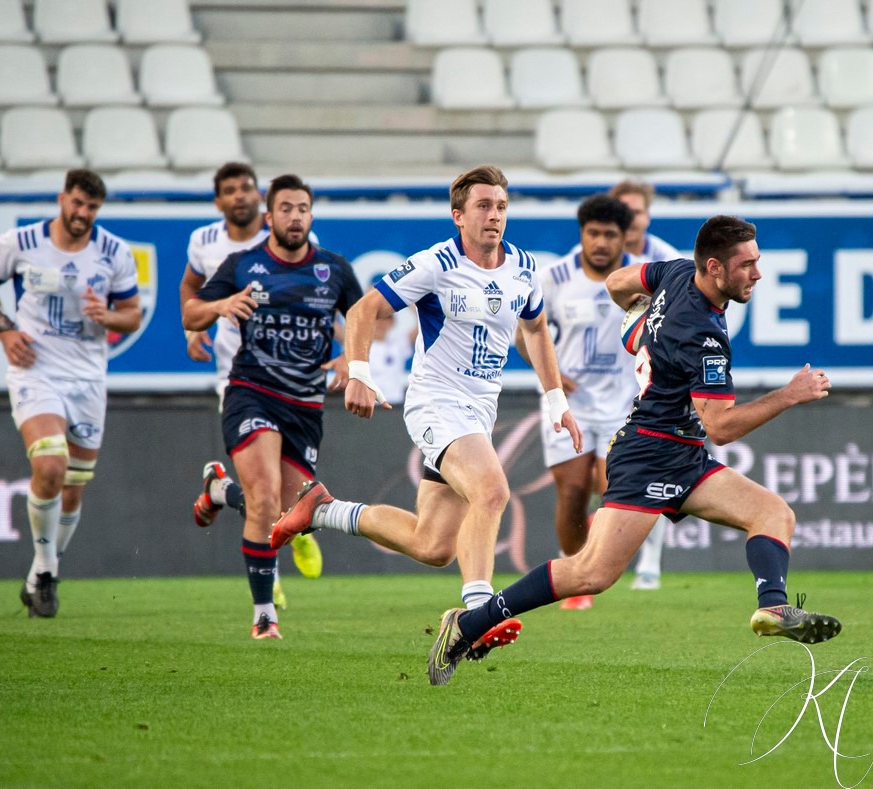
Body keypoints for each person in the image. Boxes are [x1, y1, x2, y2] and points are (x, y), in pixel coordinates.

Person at [425, 215, 843, 685]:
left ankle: (773, 607)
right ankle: (468, 624)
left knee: (772, 513)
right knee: (590, 574)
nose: (758, 273)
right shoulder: (702, 337)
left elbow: (618, 282)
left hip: (682, 454)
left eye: (756, 261)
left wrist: (640, 324)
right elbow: (722, 427)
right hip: (649, 455)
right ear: (714, 267)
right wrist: (789, 395)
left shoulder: (677, 271)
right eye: (746, 265)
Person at [270, 165, 582, 660]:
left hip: (477, 413)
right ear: (458, 215)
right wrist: (359, 372)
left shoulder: (522, 266)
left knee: (433, 544)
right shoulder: (437, 263)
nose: (494, 216)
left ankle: (323, 510)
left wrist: (555, 399)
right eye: (483, 206)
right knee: (492, 490)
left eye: (501, 207)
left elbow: (536, 328)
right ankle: (478, 612)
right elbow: (363, 310)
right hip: (436, 402)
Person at [183, 174, 362, 639]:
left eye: (303, 209)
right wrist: (221, 305)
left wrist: (351, 356)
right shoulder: (243, 265)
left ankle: (220, 491)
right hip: (252, 390)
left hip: (305, 405)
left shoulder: (334, 269)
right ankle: (265, 615)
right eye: (286, 209)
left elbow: (366, 318)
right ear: (269, 217)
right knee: (263, 497)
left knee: (287, 513)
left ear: (311, 215)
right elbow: (190, 312)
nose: (295, 217)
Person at [0, 169, 141, 618]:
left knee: (73, 489)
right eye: (77, 203)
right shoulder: (21, 242)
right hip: (36, 371)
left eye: (92, 208)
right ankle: (47, 572)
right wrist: (4, 330)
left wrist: (107, 316)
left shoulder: (114, 252)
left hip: (87, 379)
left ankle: (37, 575)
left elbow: (132, 315)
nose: (83, 213)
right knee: (50, 464)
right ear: (62, 198)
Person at [523, 193, 667, 610]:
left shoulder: (642, 278)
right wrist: (549, 374)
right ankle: (574, 580)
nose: (600, 242)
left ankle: (617, 563)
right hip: (570, 403)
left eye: (610, 235)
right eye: (593, 233)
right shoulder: (554, 277)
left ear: (625, 237)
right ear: (582, 234)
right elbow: (524, 333)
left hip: (624, 403)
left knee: (613, 489)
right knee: (571, 492)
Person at [568, 180, 682, 591]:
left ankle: (649, 562)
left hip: (650, 382)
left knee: (648, 471)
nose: (630, 219)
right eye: (624, 211)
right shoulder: (592, 260)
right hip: (599, 388)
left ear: (647, 216)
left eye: (637, 211)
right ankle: (591, 560)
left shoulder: (665, 259)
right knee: (599, 481)